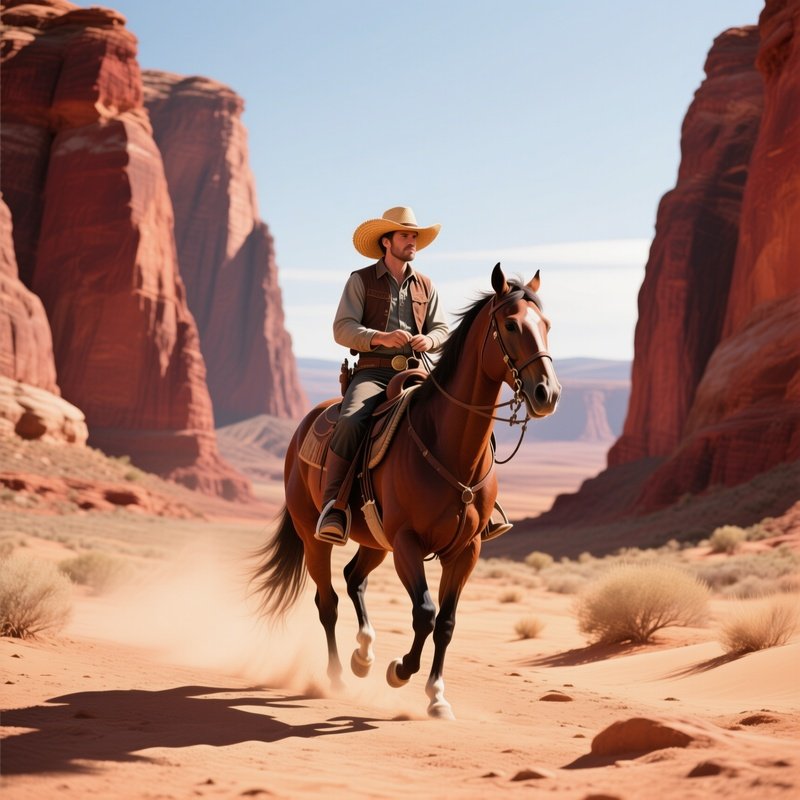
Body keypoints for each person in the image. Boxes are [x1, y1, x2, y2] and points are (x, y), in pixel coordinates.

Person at [316, 205, 512, 546]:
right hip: (373, 373)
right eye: (405, 235)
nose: (412, 241)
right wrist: (379, 337)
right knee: (350, 420)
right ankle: (334, 506)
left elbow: (441, 328)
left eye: (414, 236)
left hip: (419, 370)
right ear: (386, 241)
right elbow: (342, 328)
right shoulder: (360, 280)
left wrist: (431, 339)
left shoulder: (426, 285)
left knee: (469, 417)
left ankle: (487, 505)